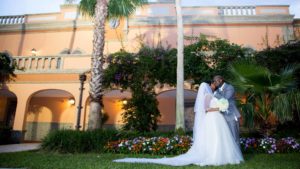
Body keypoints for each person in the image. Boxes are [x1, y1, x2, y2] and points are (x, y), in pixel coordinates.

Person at [113, 82, 244, 166]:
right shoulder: (207, 97)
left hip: (217, 119)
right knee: (214, 138)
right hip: (212, 117)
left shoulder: (214, 96)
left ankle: (224, 155)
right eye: (208, 87)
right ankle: (214, 155)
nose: (210, 87)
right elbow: (206, 109)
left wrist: (220, 107)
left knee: (220, 138)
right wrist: (218, 109)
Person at [213, 75, 241, 146]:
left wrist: (216, 94)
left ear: (221, 80)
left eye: (215, 81)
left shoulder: (229, 87)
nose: (214, 83)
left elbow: (225, 99)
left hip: (231, 115)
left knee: (235, 136)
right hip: (223, 116)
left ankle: (238, 156)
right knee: (227, 137)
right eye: (214, 81)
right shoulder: (217, 90)